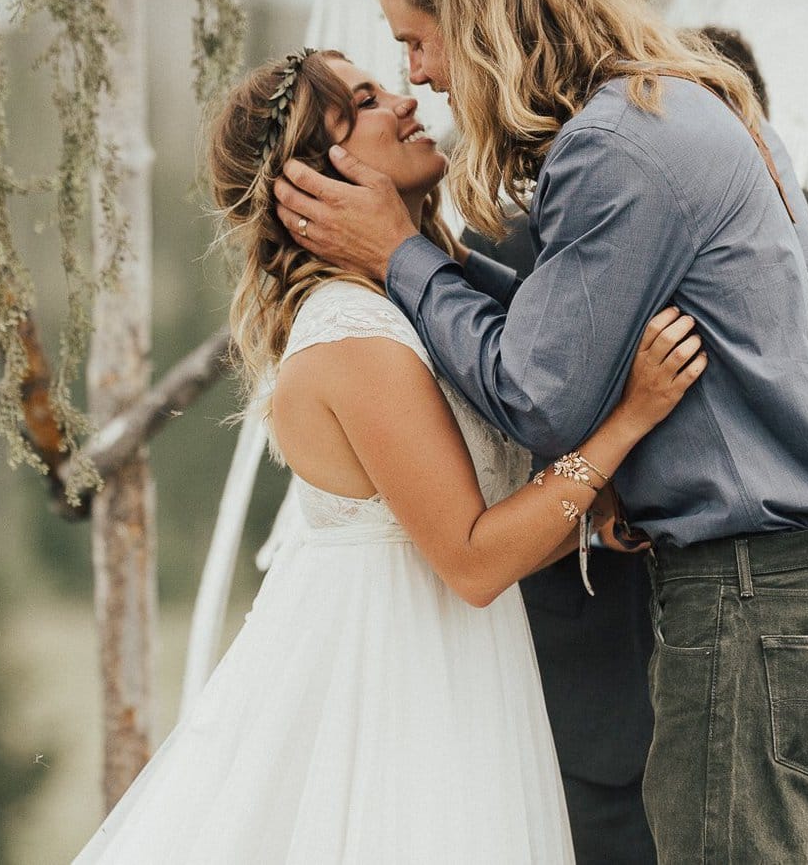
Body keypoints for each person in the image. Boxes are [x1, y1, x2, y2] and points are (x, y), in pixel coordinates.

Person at [273, 0, 808, 863]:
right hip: (798, 597)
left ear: (476, 16)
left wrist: (397, 252)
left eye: (416, 37)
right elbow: (563, 325)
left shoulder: (610, 148)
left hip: (755, 609)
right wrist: (422, 254)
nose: (421, 75)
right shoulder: (677, 101)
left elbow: (536, 394)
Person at [71, 48, 706, 864]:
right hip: (393, 690)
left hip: (454, 670)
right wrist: (629, 419)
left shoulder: (406, 304)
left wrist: (596, 522)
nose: (406, 99)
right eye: (367, 100)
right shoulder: (352, 336)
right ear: (315, 178)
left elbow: (472, 521)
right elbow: (473, 561)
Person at [468, 25, 808, 865]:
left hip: (775, 623)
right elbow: (510, 432)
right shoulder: (527, 233)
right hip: (610, 659)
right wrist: (601, 503)